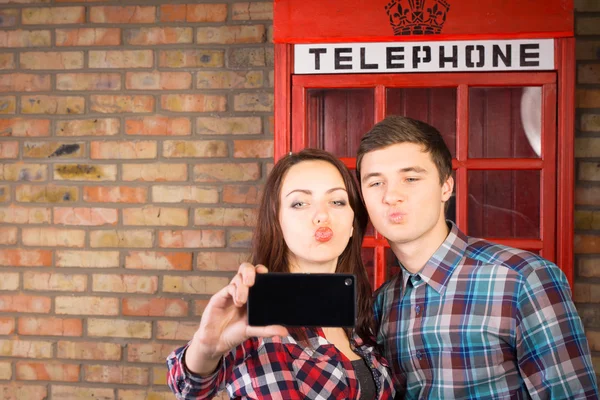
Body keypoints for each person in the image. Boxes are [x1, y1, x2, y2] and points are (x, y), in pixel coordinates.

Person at [356, 115, 599, 399]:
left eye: (410, 178)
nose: (391, 196)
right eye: (375, 183)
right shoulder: (381, 303)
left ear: (446, 186)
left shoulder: (522, 279)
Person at [166, 148, 396, 399]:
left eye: (337, 201)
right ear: (277, 222)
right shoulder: (256, 316)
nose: (322, 215)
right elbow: (189, 388)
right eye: (299, 203)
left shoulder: (363, 322)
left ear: (353, 224)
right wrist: (206, 348)